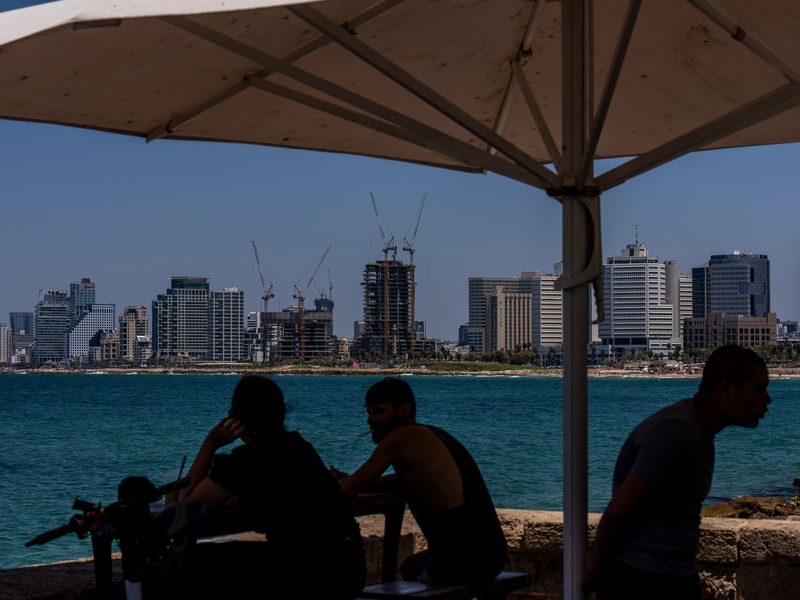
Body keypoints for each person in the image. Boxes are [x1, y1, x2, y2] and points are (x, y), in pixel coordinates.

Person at [585, 345, 772, 599]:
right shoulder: (679, 432)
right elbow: (618, 513)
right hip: (644, 582)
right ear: (726, 388)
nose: (767, 399)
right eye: (759, 389)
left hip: (669, 577)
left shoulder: (697, 430)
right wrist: (595, 569)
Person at [178, 376, 366, 599]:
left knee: (192, 562)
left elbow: (185, 506)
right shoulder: (299, 446)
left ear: (238, 419)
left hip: (308, 574)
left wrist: (210, 444)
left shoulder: (247, 458)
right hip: (349, 569)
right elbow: (282, 493)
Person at [331, 377, 507, 593]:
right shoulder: (429, 434)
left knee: (395, 588)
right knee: (410, 568)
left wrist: (309, 482)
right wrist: (357, 480)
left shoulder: (400, 436)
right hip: (489, 553)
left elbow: (346, 491)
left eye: (378, 411)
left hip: (466, 560)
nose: (370, 420)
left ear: (403, 411)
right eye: (368, 412)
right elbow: (399, 482)